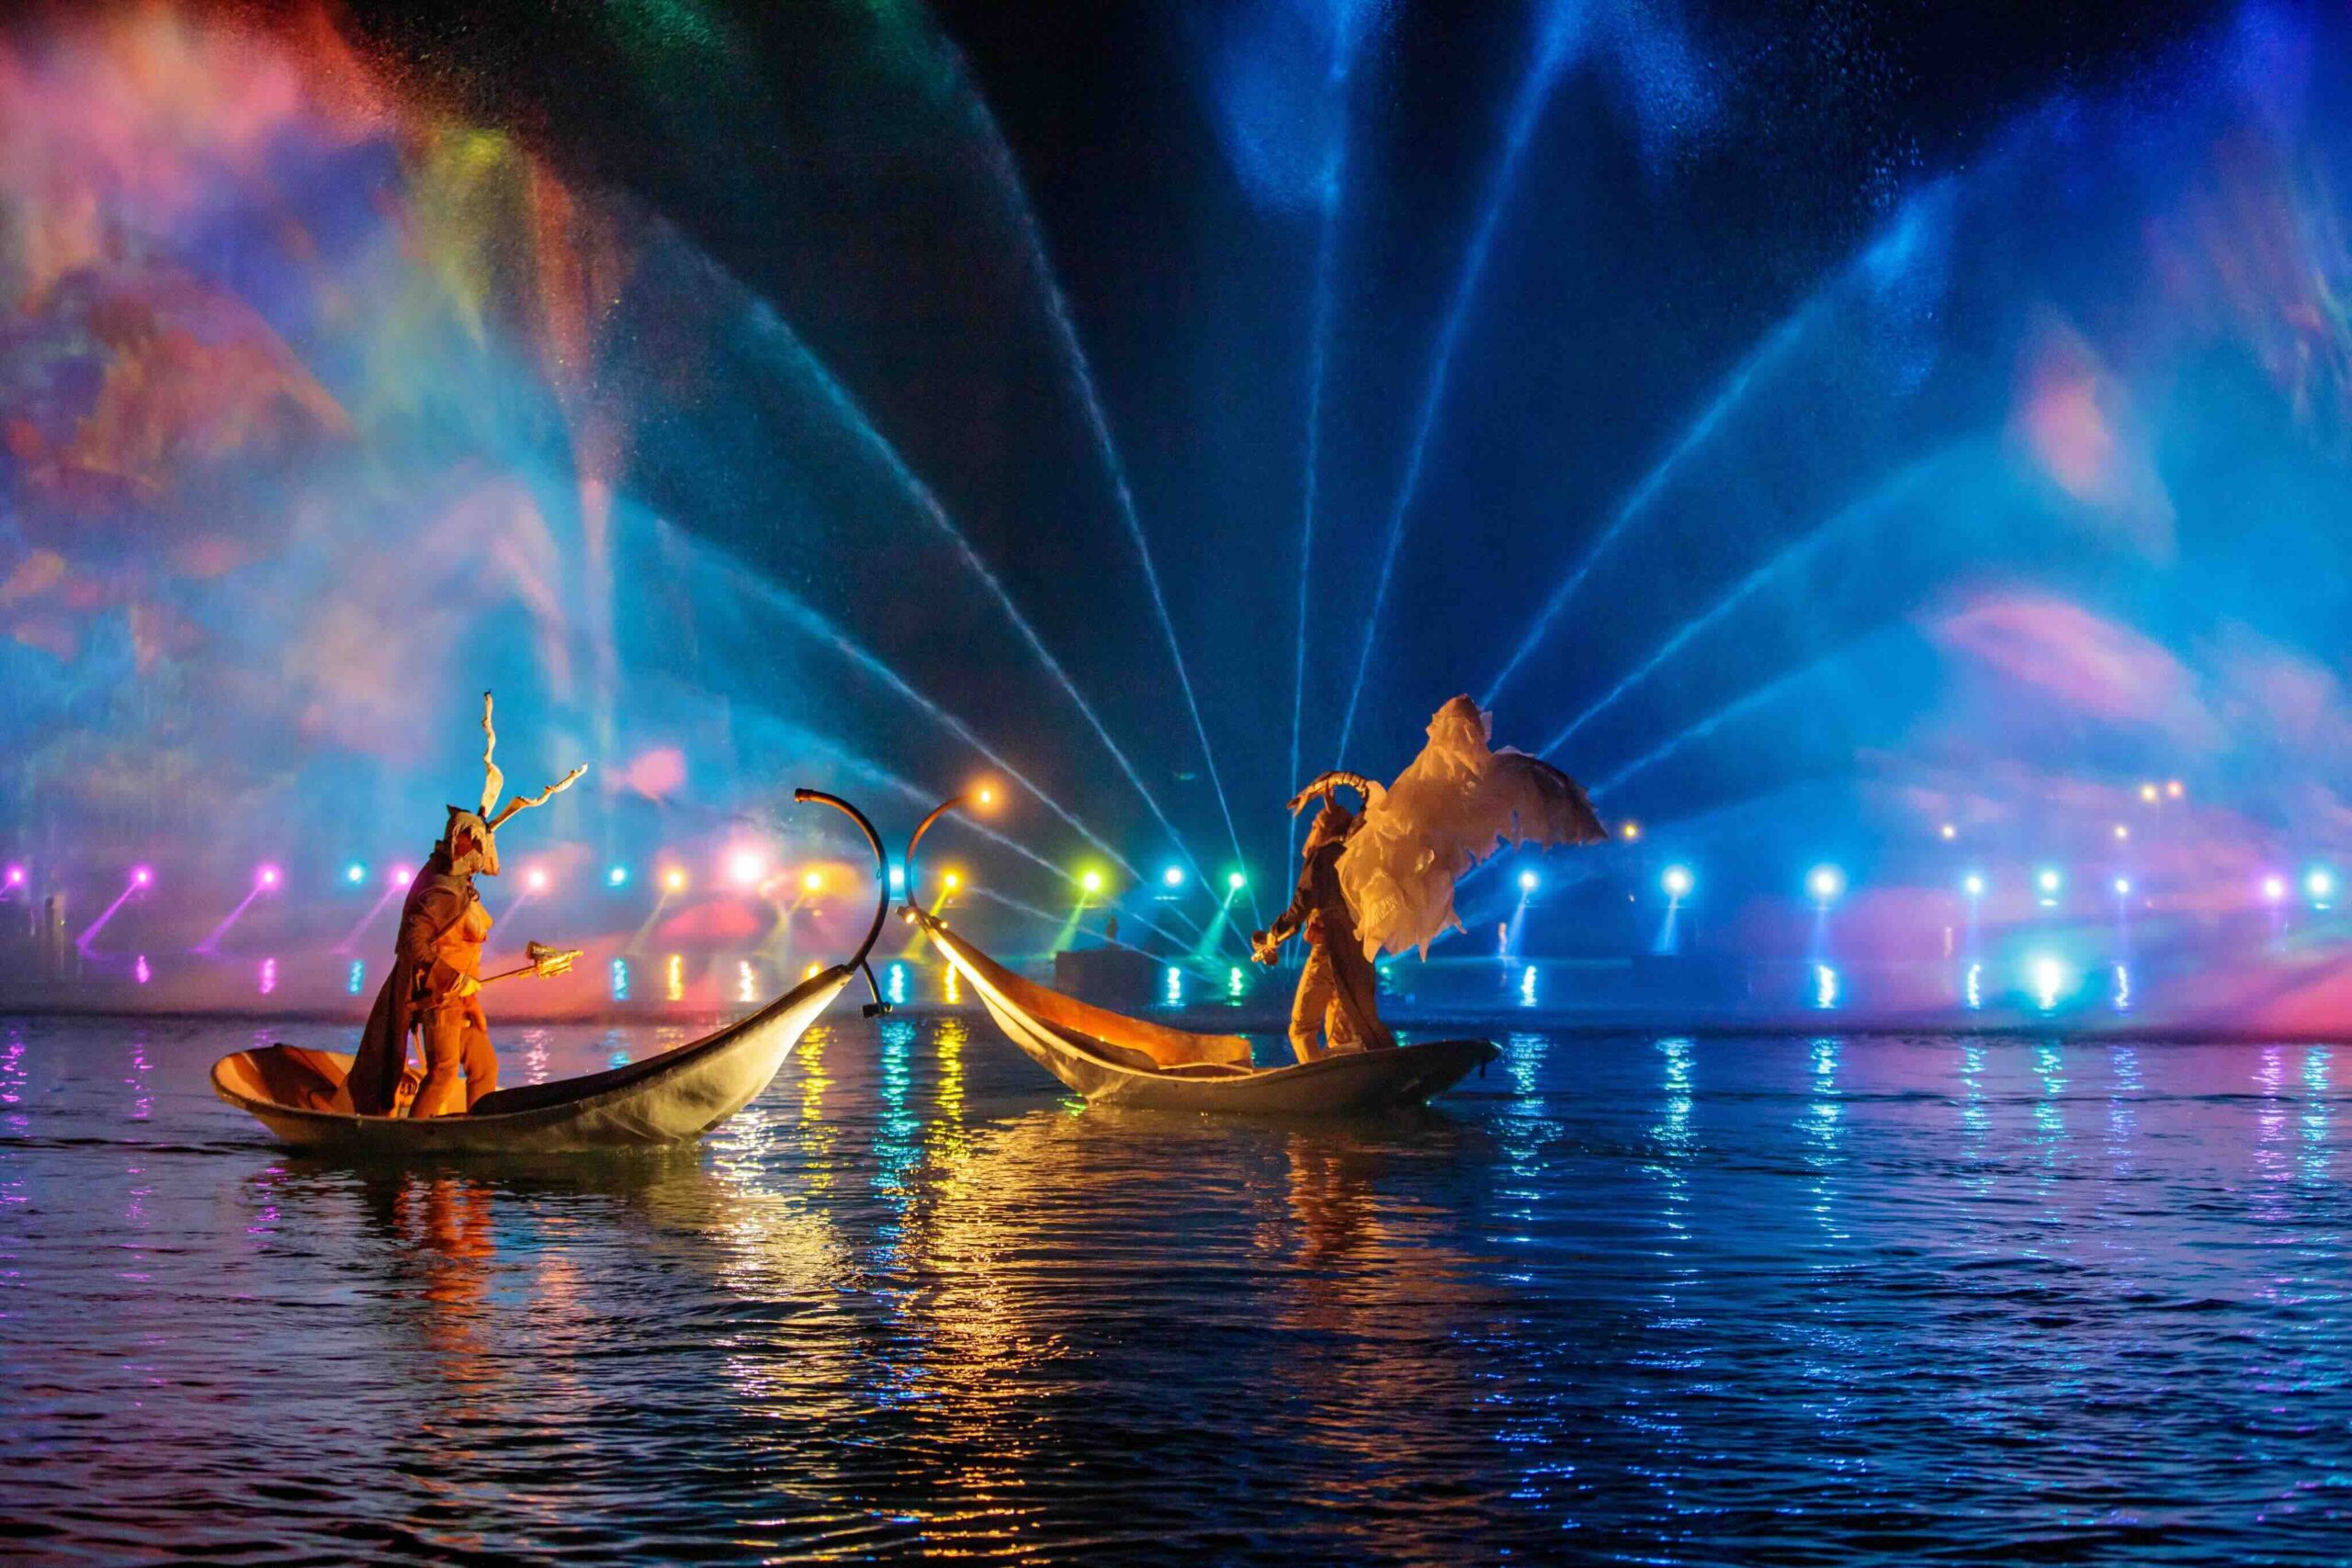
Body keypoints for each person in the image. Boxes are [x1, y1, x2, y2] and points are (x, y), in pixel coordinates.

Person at [347, 694, 584, 1117]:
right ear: (463, 844)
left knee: (484, 1066)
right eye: (476, 845)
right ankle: (414, 1146)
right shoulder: (443, 889)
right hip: (438, 999)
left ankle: (478, 1138)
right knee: (441, 1073)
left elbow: (464, 943)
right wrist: (451, 980)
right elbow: (412, 943)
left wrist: (471, 998)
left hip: (461, 999)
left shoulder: (461, 885)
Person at [1250, 789, 1395, 1062]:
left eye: (1315, 825)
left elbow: (1301, 905)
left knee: (1302, 1029)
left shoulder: (1323, 856)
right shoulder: (1359, 854)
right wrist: (1333, 808)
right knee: (1343, 1035)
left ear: (1324, 829)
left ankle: (1317, 1087)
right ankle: (1349, 1086)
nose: (1311, 831)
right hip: (1359, 953)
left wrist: (1274, 934)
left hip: (1329, 950)